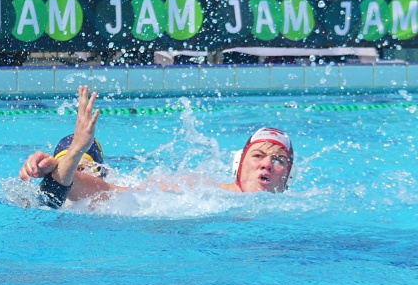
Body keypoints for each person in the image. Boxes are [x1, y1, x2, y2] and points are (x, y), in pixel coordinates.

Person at [19, 87, 294, 207]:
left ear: (288, 177)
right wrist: (74, 150)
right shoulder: (193, 190)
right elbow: (63, 191)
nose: (267, 163)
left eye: (279, 160)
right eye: (257, 155)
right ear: (239, 163)